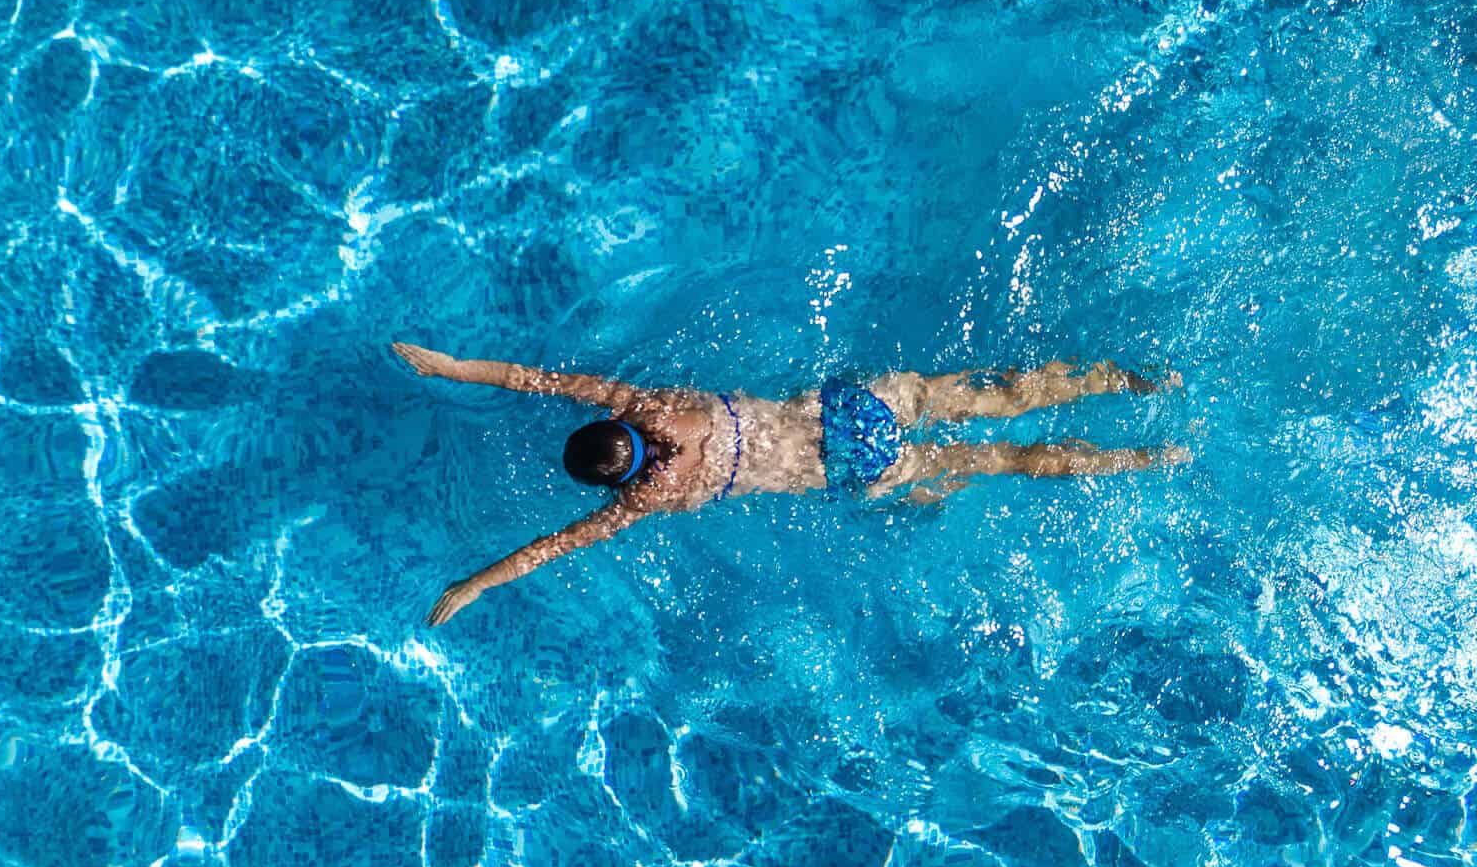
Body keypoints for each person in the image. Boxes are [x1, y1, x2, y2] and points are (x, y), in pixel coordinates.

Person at [392, 342, 1188, 624]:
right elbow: (535, 380)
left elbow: (550, 549)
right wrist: (452, 366)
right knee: (996, 397)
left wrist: (474, 583)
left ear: (612, 480)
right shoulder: (649, 405)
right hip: (851, 409)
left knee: (996, 462)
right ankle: (1137, 382)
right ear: (620, 432)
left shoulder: (647, 497)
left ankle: (1142, 462)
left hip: (849, 469)